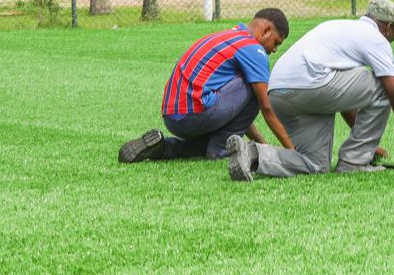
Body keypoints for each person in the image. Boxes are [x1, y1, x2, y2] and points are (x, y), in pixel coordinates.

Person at [225, 0, 394, 182]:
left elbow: (343, 99)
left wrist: (363, 141)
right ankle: (354, 164)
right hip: (311, 87)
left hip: (279, 91)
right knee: (383, 87)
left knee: (314, 164)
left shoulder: (339, 27)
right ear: (388, 26)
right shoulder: (376, 38)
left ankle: (252, 154)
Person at [118, 9, 293, 162]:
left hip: (172, 115)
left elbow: (238, 110)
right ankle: (221, 149)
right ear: (266, 30)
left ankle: (163, 148)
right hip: (197, 112)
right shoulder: (253, 48)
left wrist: (261, 143)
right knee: (257, 85)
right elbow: (266, 106)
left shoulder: (228, 36)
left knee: (206, 144)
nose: (274, 50)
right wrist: (291, 151)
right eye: (276, 42)